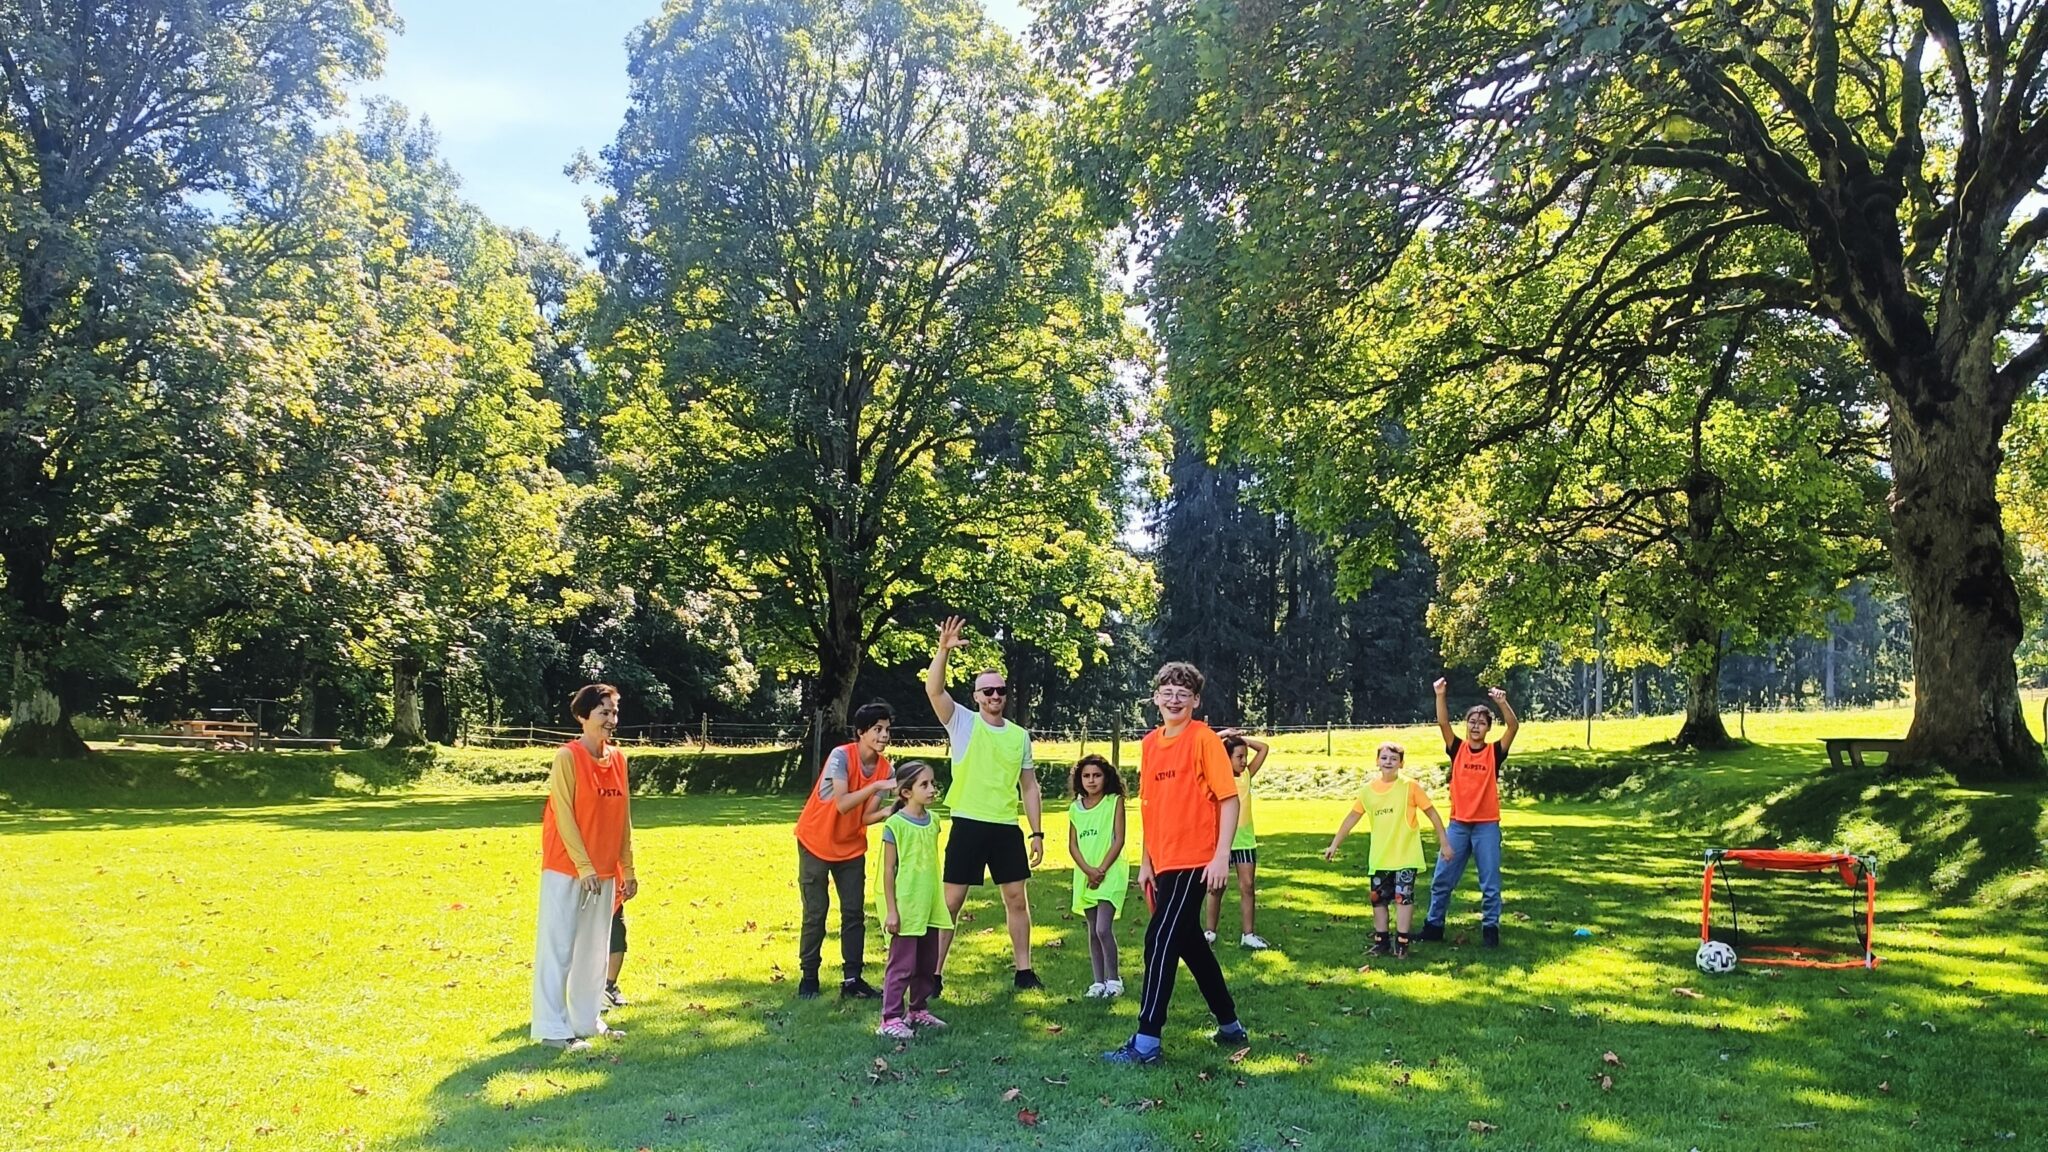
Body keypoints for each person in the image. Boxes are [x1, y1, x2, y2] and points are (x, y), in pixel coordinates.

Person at [1104, 662, 1249, 1066]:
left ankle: (1146, 1042)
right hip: (1163, 862)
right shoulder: (1150, 744)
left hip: (1197, 859)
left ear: (1195, 701)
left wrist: (1221, 856)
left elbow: (1229, 799)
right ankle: (1230, 1026)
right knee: (1190, 944)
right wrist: (1146, 861)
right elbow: (1150, 806)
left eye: (1183, 694)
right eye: (1167, 692)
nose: (1174, 700)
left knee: (1160, 940)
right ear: (1156, 697)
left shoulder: (1203, 739)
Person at [925, 616, 1046, 994]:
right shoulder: (961, 722)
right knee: (951, 901)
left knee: (1016, 899)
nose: (995, 696)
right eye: (987, 691)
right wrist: (943, 651)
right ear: (977, 696)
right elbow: (934, 690)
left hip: (1005, 827)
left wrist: (1037, 832)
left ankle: (1024, 971)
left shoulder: (1019, 736)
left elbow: (1029, 787)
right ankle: (932, 975)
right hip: (968, 822)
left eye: (1000, 690)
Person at [532, 683, 635, 1051]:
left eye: (614, 712)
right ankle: (551, 1029)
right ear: (582, 716)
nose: (611, 719)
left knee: (594, 950)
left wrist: (627, 868)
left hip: (604, 870)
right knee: (558, 948)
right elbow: (563, 814)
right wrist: (583, 865)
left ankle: (587, 1020)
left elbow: (622, 817)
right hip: (567, 868)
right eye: (604, 712)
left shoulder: (619, 759)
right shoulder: (567, 757)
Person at [793, 700, 897, 1000]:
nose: (884, 735)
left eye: (887, 730)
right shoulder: (841, 756)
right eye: (877, 729)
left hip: (851, 847)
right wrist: (876, 787)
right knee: (816, 912)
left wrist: (893, 810)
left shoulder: (885, 768)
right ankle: (809, 977)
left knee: (853, 913)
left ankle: (853, 979)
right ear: (861, 732)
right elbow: (842, 804)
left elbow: (865, 816)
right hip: (815, 841)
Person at [1321, 742, 1450, 958]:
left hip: (1405, 856)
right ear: (1377, 761)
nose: (1388, 762)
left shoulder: (1410, 787)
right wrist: (1335, 844)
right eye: (1384, 758)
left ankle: (1402, 943)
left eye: (1393, 758)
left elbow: (1432, 814)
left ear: (1401, 763)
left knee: (1403, 898)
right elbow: (1352, 817)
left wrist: (1444, 843)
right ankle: (1381, 942)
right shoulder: (1367, 791)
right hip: (1380, 858)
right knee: (1378, 900)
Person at [1421, 679, 1519, 947]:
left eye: (1481, 723)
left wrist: (1502, 703)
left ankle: (1490, 930)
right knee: (1442, 879)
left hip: (1486, 826)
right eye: (1472, 721)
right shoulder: (1457, 748)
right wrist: (1440, 695)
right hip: (1458, 826)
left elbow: (1513, 726)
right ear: (1466, 725)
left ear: (1488, 728)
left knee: (1490, 883)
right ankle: (1433, 926)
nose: (1475, 726)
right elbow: (1443, 723)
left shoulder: (1494, 752)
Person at [877, 762, 952, 1039]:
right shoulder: (895, 825)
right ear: (906, 792)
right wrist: (892, 911)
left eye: (932, 783)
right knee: (902, 965)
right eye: (924, 785)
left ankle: (918, 1009)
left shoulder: (934, 821)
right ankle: (890, 1018)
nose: (932, 789)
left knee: (926, 963)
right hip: (906, 906)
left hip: (929, 903)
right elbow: (888, 871)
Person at [1067, 753, 1129, 998]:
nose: (1091, 780)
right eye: (1086, 776)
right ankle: (1098, 982)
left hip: (1110, 873)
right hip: (1085, 876)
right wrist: (1088, 870)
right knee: (1093, 930)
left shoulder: (1114, 802)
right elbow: (1072, 845)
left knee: (1104, 928)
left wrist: (1101, 870)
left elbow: (1119, 839)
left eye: (1097, 775)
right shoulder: (1075, 808)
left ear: (1106, 777)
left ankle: (1114, 979)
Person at [1203, 731, 1271, 950]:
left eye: (1245, 756)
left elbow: (1264, 748)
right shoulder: (1216, 777)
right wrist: (1224, 736)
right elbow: (1202, 746)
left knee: (1248, 886)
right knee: (1216, 888)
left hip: (1245, 840)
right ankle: (1210, 932)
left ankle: (1248, 935)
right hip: (1222, 840)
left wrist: (1242, 740)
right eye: (1239, 756)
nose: (1244, 761)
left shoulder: (1247, 775)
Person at [604, 881, 631, 1010]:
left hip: (613, 887)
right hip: (587, 884)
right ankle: (589, 991)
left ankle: (609, 986)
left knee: (617, 935)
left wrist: (628, 875)